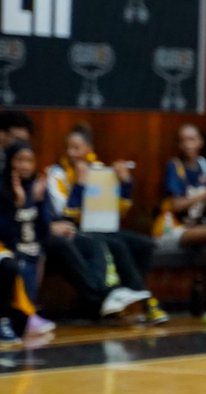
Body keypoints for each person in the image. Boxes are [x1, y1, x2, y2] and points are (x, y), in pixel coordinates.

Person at [46, 124, 167, 324]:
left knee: (145, 244)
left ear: (89, 149)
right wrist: (80, 185)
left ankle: (127, 297)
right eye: (68, 148)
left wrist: (125, 183)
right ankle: (146, 301)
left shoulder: (100, 171)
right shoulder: (56, 174)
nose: (71, 153)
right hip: (75, 230)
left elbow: (119, 210)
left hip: (101, 228)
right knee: (117, 246)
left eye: (76, 148)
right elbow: (66, 215)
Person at [0, 141, 57, 340]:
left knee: (37, 262)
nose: (25, 165)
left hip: (33, 252)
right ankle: (19, 318)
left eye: (29, 161)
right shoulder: (3, 188)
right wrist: (17, 204)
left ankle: (28, 315)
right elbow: (4, 232)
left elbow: (44, 231)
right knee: (15, 266)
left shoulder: (38, 187)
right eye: (20, 160)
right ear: (10, 162)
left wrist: (40, 202)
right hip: (12, 250)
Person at [154, 123, 206, 252]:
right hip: (172, 228)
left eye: (192, 139)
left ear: (201, 142)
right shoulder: (174, 166)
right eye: (183, 140)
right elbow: (177, 205)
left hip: (197, 225)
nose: (187, 144)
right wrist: (204, 195)